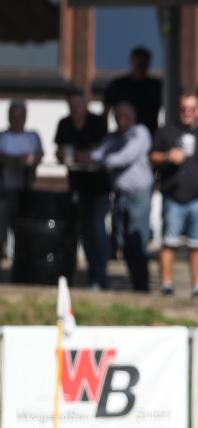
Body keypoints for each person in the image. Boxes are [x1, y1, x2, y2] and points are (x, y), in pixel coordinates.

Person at [150, 93, 198, 298]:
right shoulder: (166, 132)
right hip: (173, 197)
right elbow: (152, 156)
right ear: (178, 109)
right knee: (169, 243)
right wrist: (166, 156)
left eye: (192, 108)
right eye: (184, 108)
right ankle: (166, 286)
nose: (188, 112)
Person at [91, 102, 153, 292]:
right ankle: (135, 283)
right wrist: (97, 157)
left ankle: (142, 286)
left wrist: (104, 160)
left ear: (133, 117)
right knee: (122, 241)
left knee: (137, 239)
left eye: (125, 115)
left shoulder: (139, 133)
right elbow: (96, 154)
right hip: (119, 194)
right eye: (118, 116)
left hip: (138, 193)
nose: (122, 119)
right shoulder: (113, 137)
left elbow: (125, 156)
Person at [54, 91, 109, 289]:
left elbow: (100, 151)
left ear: (86, 106)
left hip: (99, 186)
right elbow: (61, 150)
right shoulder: (64, 124)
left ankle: (100, 276)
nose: (75, 110)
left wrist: (81, 154)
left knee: (97, 228)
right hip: (76, 184)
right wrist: (70, 155)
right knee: (81, 230)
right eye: (72, 107)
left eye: (79, 106)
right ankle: (79, 275)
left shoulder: (97, 123)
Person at [0, 101, 44, 261]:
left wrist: (14, 160)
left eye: (20, 115)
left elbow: (37, 156)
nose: (17, 119)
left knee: (23, 231)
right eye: (14, 115)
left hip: (26, 192)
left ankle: (22, 264)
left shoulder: (32, 136)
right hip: (3, 192)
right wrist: (20, 159)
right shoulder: (3, 137)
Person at [103, 46, 162, 135]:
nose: (140, 67)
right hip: (123, 138)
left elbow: (172, 108)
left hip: (151, 137)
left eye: (143, 64)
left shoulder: (156, 87)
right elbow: (105, 112)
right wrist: (103, 135)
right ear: (131, 62)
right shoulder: (118, 85)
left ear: (148, 64)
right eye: (138, 63)